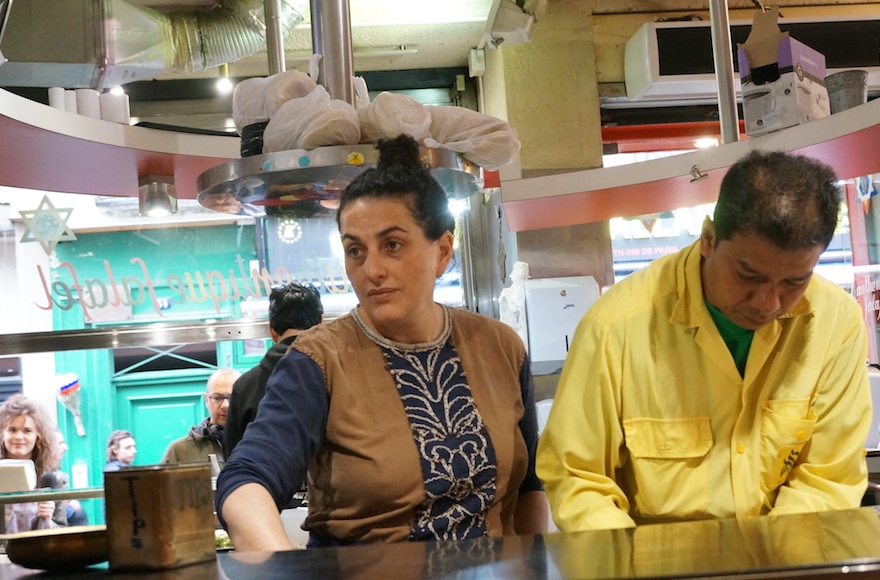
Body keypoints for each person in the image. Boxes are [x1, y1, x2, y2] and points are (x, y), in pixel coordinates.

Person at [216, 134, 548, 551]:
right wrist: (281, 564)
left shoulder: (500, 347)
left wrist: (538, 563)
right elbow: (246, 476)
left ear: (442, 252)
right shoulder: (317, 361)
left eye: (392, 245)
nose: (372, 270)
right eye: (356, 251)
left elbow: (530, 484)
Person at [537, 150, 872, 531]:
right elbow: (578, 479)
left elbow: (828, 478)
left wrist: (776, 569)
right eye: (748, 274)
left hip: (787, 558)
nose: (767, 303)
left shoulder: (835, 323)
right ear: (709, 238)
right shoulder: (615, 326)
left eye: (794, 282)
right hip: (657, 568)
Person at [224, 282, 324, 458]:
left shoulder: (245, 386)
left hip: (267, 484)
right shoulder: (339, 376)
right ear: (321, 323)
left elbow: (233, 459)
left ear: (271, 329)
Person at [0, 394, 66, 532]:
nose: (19, 437)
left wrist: (48, 522)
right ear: (2, 434)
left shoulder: (51, 479)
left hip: (35, 552)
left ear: (38, 437)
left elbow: (62, 529)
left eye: (27, 431)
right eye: (12, 430)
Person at [161, 368, 240, 465]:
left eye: (232, 397)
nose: (225, 405)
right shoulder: (178, 451)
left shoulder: (259, 444)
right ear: (206, 400)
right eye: (217, 398)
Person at [52, 428, 88, 526]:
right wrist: (72, 509)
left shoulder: (56, 474)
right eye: (60, 443)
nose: (66, 447)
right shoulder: (45, 476)